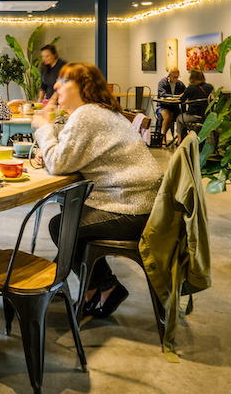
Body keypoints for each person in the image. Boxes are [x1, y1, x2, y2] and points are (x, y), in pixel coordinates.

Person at [31, 62, 162, 319]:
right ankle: (98, 288)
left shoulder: (87, 115)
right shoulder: (99, 112)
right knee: (70, 219)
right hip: (146, 202)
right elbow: (71, 156)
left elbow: (59, 164)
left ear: (84, 87)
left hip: (132, 207)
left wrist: (44, 127)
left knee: (62, 226)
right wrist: (50, 149)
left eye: (64, 81)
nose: (56, 85)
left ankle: (102, 288)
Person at [176, 70, 214, 144]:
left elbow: (181, 100)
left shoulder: (190, 88)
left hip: (194, 115)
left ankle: (179, 140)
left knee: (179, 118)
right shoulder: (210, 87)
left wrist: (182, 95)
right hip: (207, 116)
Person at [156, 68, 185, 146]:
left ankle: (180, 138)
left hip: (175, 107)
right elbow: (162, 94)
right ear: (169, 76)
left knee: (183, 117)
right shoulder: (162, 83)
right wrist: (175, 96)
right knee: (168, 116)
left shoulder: (180, 84)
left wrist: (183, 96)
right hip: (163, 107)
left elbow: (185, 93)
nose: (176, 79)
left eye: (177, 77)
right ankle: (163, 137)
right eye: (174, 77)